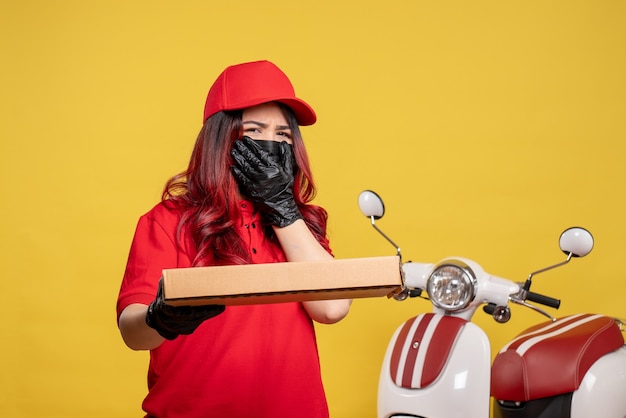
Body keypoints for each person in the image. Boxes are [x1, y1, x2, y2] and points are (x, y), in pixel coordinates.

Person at [116, 60, 352, 418]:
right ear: (220, 140)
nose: (271, 143)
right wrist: (159, 318)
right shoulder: (167, 220)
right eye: (254, 131)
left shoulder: (303, 224)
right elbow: (133, 333)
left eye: (284, 135)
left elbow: (332, 309)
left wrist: (282, 209)